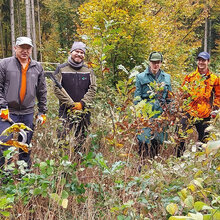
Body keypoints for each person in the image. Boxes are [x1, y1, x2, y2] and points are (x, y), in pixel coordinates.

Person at [0, 36, 47, 169]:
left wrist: (42, 111)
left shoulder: (37, 67)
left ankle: (24, 173)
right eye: (22, 47)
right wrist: (2, 105)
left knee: (25, 145)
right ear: (15, 48)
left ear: (31, 50)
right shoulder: (4, 64)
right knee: (4, 143)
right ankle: (5, 173)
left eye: (28, 48)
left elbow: (42, 90)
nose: (24, 51)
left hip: (27, 112)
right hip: (8, 112)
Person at [54, 41, 96, 151]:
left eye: (82, 52)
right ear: (71, 52)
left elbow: (93, 88)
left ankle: (78, 161)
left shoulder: (88, 70)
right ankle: (63, 159)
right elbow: (57, 89)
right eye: (77, 51)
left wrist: (82, 103)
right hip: (65, 110)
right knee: (62, 135)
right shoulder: (61, 68)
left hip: (84, 110)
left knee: (81, 136)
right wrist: (71, 104)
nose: (79, 54)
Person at [177, 52, 220, 157]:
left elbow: (218, 95)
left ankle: (201, 160)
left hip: (205, 114)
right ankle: (178, 159)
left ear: (208, 62)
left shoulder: (214, 78)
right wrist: (182, 108)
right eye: (199, 60)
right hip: (189, 112)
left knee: (205, 139)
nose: (201, 62)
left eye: (204, 60)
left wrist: (215, 109)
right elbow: (182, 94)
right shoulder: (190, 77)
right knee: (180, 136)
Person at [134, 52, 172, 158]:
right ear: (149, 62)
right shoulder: (140, 77)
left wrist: (169, 113)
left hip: (161, 113)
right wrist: (139, 114)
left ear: (161, 63)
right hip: (146, 113)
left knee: (157, 141)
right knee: (143, 140)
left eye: (158, 62)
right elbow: (137, 98)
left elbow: (170, 98)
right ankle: (141, 163)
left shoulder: (166, 78)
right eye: (154, 62)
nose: (156, 65)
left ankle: (153, 164)